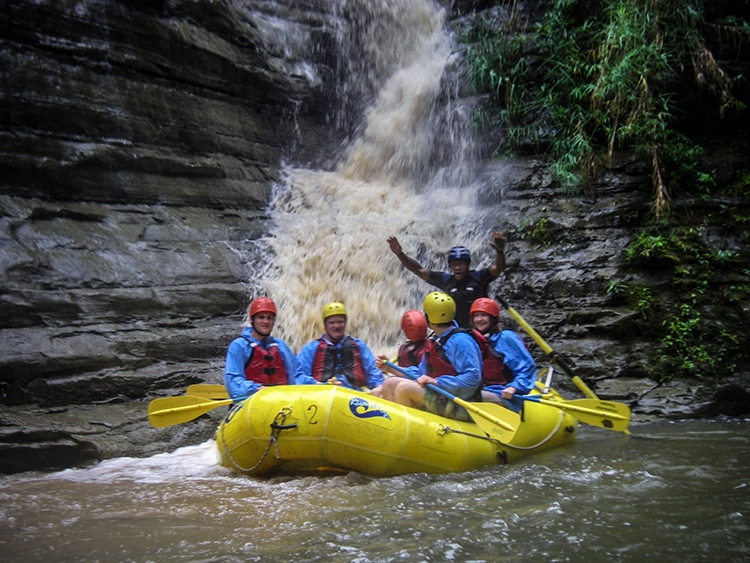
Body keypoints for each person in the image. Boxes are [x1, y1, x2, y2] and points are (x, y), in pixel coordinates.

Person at [377, 292, 483, 421]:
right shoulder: (435, 340)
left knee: (404, 389)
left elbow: (473, 377)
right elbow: (420, 373)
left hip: (459, 403)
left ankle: (408, 434)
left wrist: (438, 382)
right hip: (439, 396)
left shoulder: (461, 341)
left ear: (428, 318)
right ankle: (391, 425)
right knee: (389, 383)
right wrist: (391, 369)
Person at [386, 231, 506, 328]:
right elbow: (418, 270)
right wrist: (400, 253)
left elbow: (498, 268)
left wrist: (500, 252)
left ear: (468, 264)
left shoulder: (479, 277)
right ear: (450, 266)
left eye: (461, 264)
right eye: (454, 264)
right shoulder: (446, 280)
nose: (458, 267)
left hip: (480, 330)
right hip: (456, 332)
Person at [295, 302, 384, 395]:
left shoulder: (358, 345)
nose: (336, 326)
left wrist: (379, 387)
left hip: (355, 395)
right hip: (322, 395)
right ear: (325, 325)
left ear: (345, 323)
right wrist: (318, 384)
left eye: (340, 322)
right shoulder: (310, 349)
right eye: (332, 323)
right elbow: (298, 376)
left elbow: (373, 371)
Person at [223, 297, 299, 400]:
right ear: (251, 320)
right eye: (261, 317)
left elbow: (296, 375)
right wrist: (256, 389)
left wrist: (317, 384)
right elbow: (233, 383)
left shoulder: (280, 345)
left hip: (281, 403)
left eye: (269, 318)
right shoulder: (239, 346)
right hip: (250, 403)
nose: (265, 321)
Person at [470, 297, 537, 412]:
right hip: (482, 389)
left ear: (492, 318)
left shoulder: (506, 338)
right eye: (476, 316)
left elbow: (526, 367)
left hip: (505, 394)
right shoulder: (471, 339)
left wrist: (514, 387)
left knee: (471, 397)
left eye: (483, 315)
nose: (479, 319)